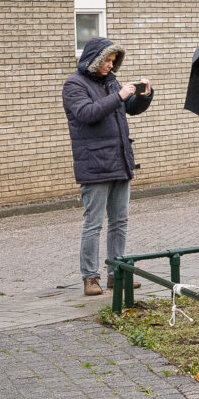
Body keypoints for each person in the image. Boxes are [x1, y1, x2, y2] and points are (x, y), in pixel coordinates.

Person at [65, 36, 153, 296]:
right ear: (94, 60)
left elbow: (130, 109)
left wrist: (144, 96)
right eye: (107, 61)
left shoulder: (111, 82)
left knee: (120, 222)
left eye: (114, 61)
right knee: (93, 224)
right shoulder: (73, 84)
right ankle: (90, 277)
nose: (111, 66)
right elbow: (87, 114)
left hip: (120, 160)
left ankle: (117, 273)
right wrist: (119, 95)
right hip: (94, 164)